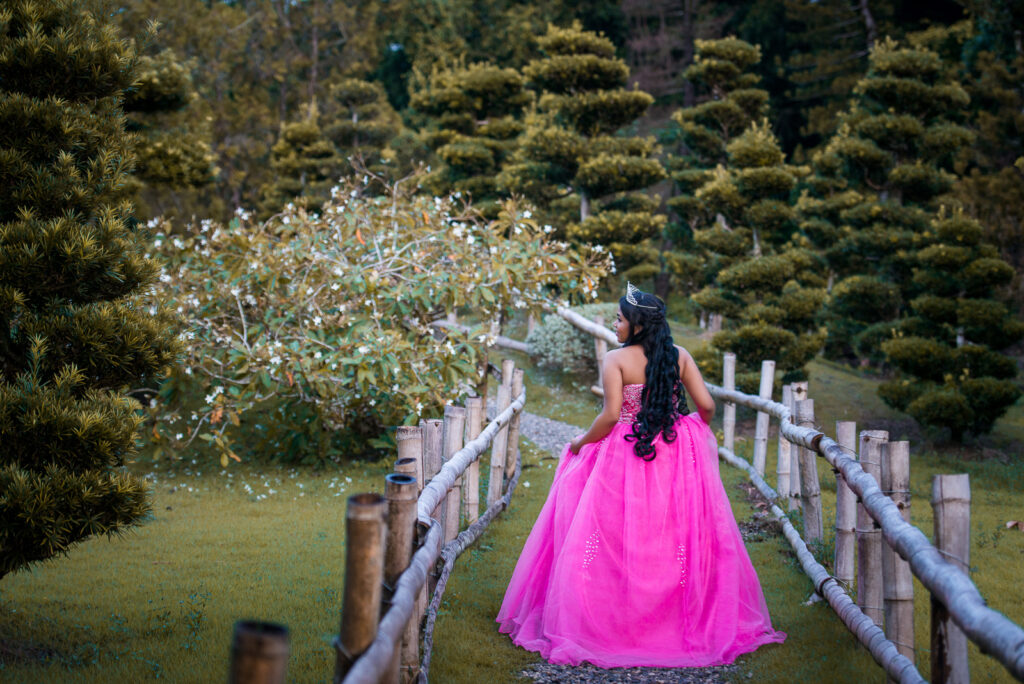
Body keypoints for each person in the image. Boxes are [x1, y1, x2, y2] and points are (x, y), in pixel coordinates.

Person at [497, 283, 785, 668]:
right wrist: (689, 430)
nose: (615, 324)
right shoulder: (678, 356)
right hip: (671, 451)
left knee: (609, 532)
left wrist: (581, 443)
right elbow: (708, 406)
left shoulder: (617, 360)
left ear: (636, 325)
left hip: (625, 451)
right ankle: (667, 616)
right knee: (668, 533)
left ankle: (610, 617)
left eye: (619, 319)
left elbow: (613, 416)